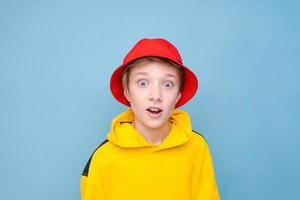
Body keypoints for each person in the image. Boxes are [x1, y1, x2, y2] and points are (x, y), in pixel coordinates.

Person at [80, 38, 220, 200]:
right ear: (127, 92)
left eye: (167, 84)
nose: (155, 96)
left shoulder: (197, 147)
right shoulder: (103, 158)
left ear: (178, 96)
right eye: (143, 83)